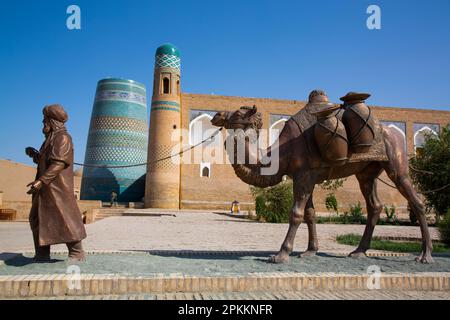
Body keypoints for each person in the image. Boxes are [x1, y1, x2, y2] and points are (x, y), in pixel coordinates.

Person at [25, 104, 87, 262]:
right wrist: (35, 155)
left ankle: (77, 252)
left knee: (65, 218)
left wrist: (40, 182)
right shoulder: (51, 138)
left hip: (57, 188)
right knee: (38, 219)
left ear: (52, 121)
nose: (43, 122)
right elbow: (47, 161)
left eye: (45, 120)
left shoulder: (62, 138)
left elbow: (58, 164)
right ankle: (42, 253)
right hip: (46, 189)